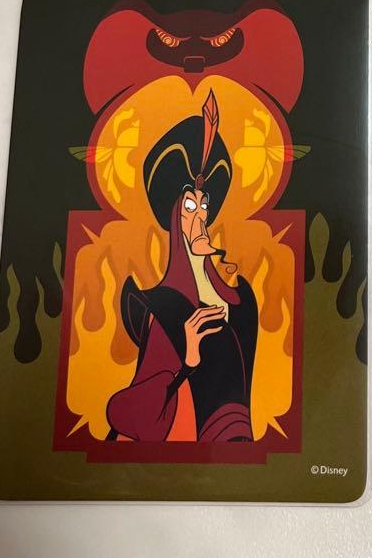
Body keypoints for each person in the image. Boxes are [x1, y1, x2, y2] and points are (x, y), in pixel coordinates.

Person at [106, 92, 258, 443]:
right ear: (175, 215)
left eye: (204, 206)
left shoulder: (241, 299)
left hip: (241, 447)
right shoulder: (163, 307)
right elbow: (137, 413)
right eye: (189, 206)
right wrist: (188, 360)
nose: (199, 217)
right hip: (196, 446)